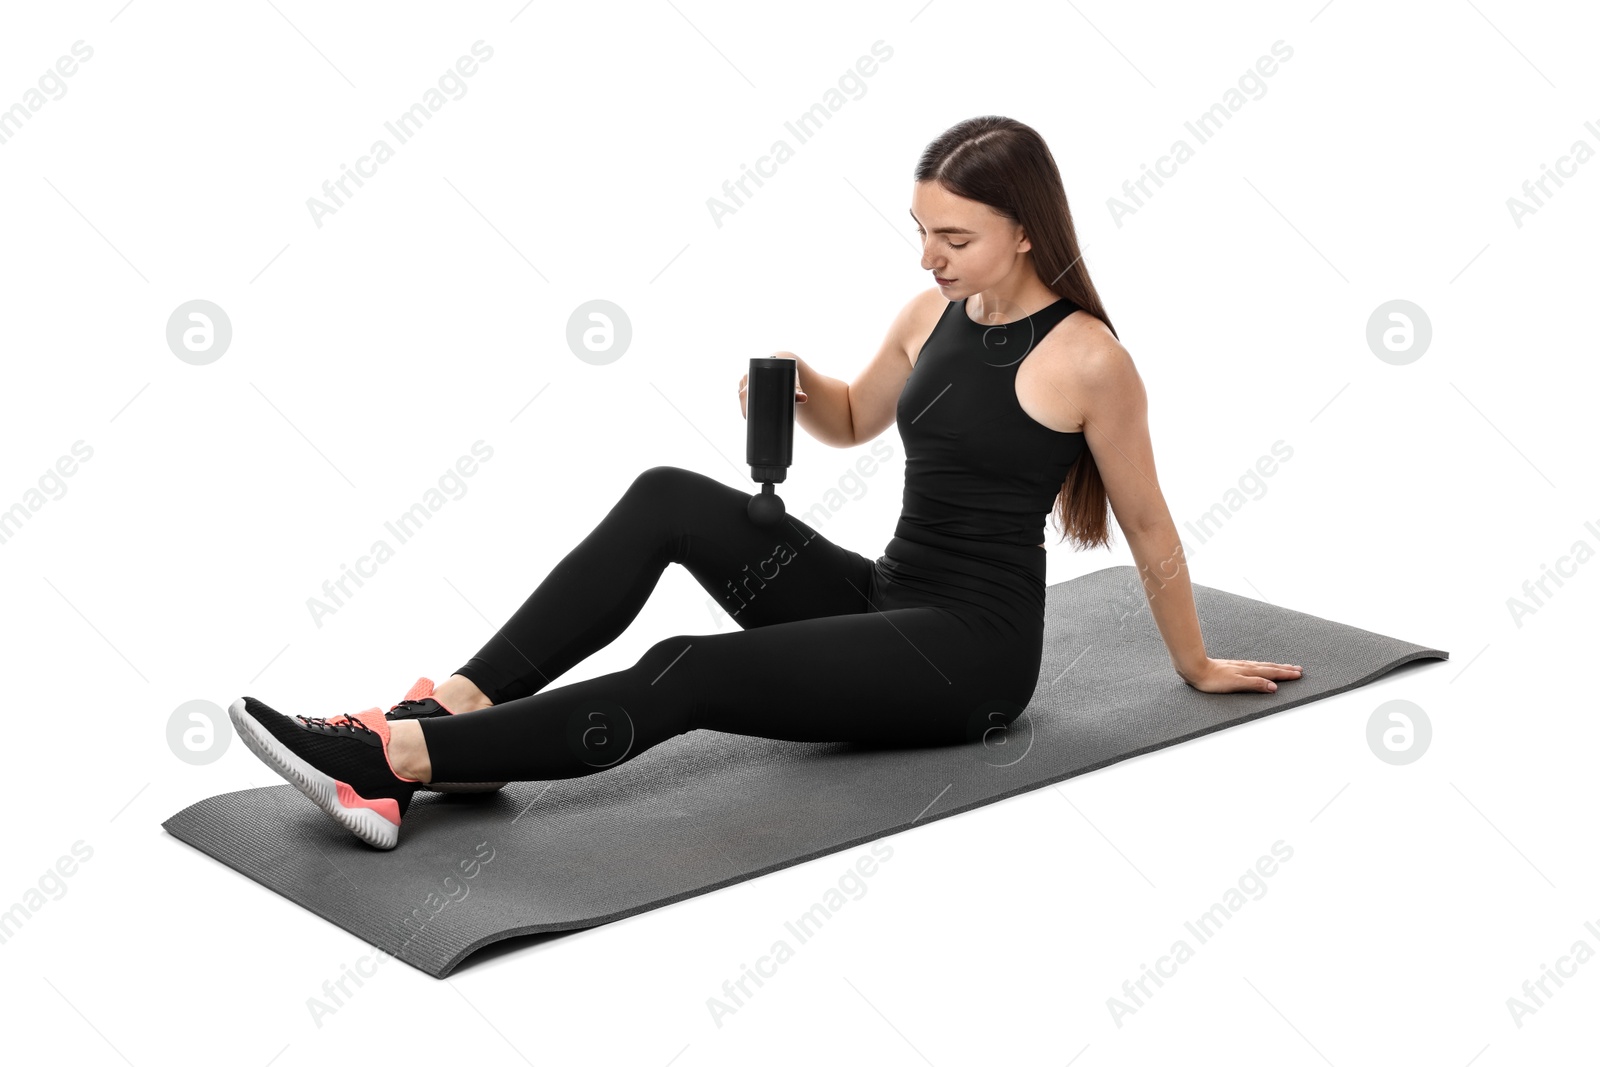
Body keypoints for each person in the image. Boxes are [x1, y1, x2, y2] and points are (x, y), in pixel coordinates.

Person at [230, 115, 1303, 850]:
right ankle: (456, 707)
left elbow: (1151, 526)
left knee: (690, 668)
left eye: (955, 236)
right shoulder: (931, 312)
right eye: (922, 229)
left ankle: (395, 760)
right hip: (887, 596)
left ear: (1025, 230)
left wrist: (1196, 660)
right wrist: (793, 389)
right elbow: (852, 417)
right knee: (665, 494)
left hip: (967, 656)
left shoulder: (1089, 360)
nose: (929, 255)